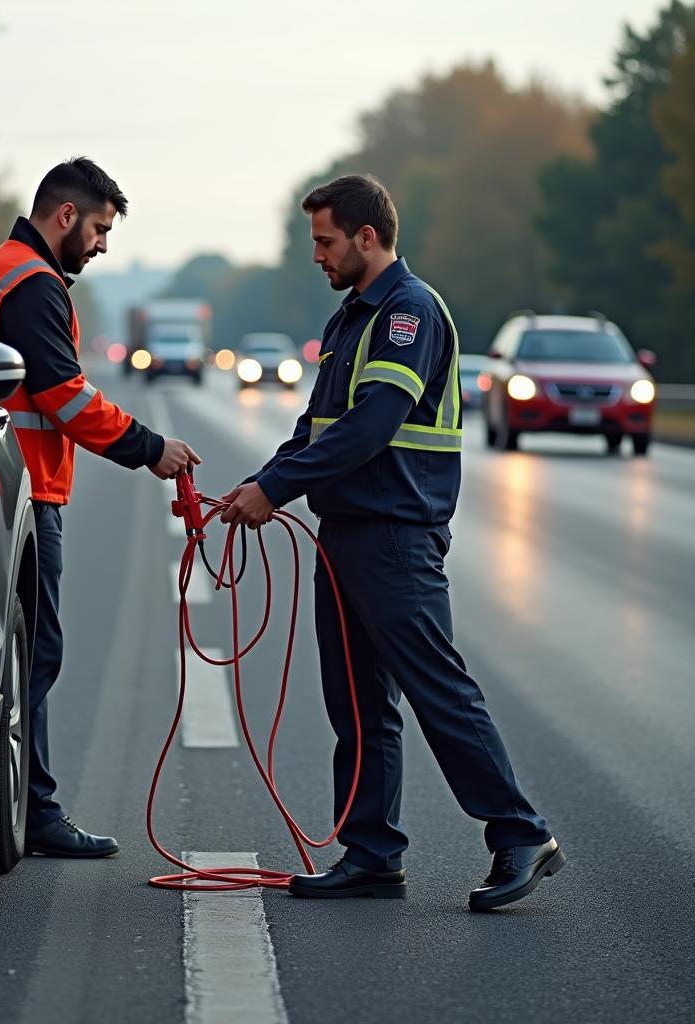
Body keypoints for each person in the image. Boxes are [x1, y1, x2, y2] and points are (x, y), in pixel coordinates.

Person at [221, 174, 563, 911]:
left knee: (438, 690)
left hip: (396, 536)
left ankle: (520, 831)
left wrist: (274, 491)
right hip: (344, 534)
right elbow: (318, 430)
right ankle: (372, 853)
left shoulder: (408, 311)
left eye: (325, 241)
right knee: (356, 704)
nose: (316, 255)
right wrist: (256, 484)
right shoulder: (352, 318)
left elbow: (373, 425)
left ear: (367, 237)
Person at [0, 157, 199, 859]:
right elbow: (63, 398)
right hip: (22, 494)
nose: (100, 245)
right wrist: (150, 448)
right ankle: (32, 814)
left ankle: (12, 807)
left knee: (14, 655)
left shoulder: (2, 270)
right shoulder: (32, 285)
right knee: (34, 658)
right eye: (97, 229)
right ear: (65, 215)